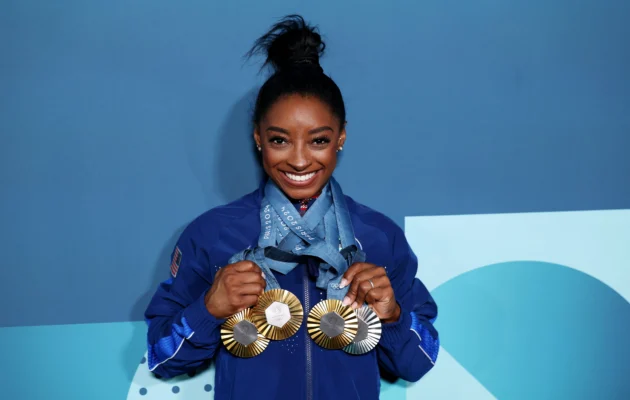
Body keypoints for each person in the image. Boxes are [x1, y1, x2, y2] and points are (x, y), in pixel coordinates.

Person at [144, 14, 439, 400]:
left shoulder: (379, 237)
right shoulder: (213, 234)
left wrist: (395, 316)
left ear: (341, 138)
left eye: (318, 140)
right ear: (258, 139)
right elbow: (160, 358)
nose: (299, 161)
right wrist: (208, 309)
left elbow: (418, 362)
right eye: (281, 140)